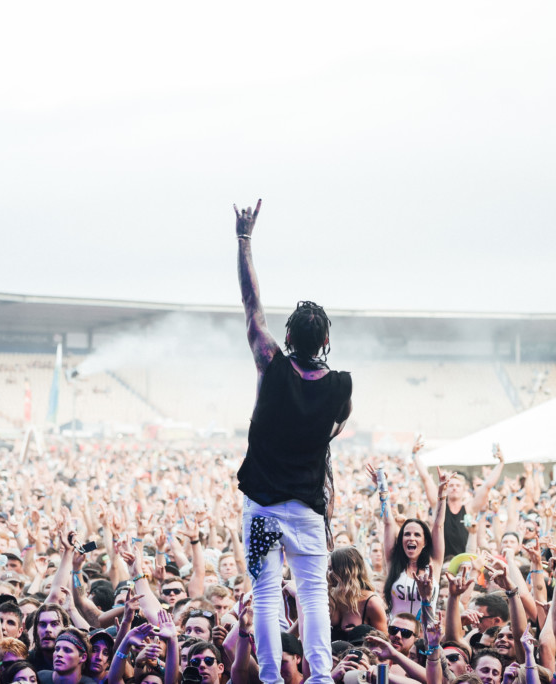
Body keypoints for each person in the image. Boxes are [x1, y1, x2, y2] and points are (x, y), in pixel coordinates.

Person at [233, 199, 352, 684]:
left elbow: (250, 303)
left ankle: (269, 677)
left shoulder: (270, 361)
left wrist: (244, 239)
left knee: (264, 593)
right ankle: (320, 677)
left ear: (286, 335)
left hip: (262, 502)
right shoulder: (341, 384)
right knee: (311, 595)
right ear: (325, 342)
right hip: (305, 504)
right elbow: (334, 431)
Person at [328, 546, 387, 640]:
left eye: (332, 569)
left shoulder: (371, 603)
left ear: (346, 571)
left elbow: (384, 642)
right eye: (328, 569)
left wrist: (364, 633)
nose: (329, 574)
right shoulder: (331, 597)